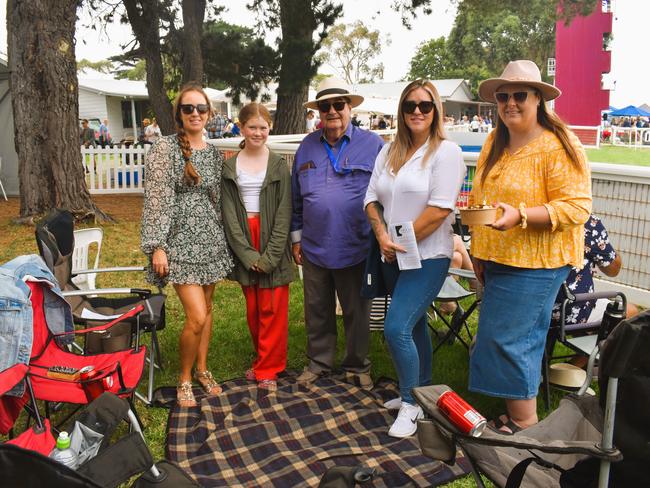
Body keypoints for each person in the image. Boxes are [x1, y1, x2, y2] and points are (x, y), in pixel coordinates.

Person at [468, 60, 592, 433]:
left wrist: (521, 215)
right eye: (503, 96)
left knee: (513, 340)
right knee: (499, 335)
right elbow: (482, 199)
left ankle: (524, 426)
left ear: (538, 98)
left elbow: (577, 207)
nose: (509, 103)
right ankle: (514, 412)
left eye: (519, 95)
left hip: (538, 261)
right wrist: (478, 250)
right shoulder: (495, 140)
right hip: (497, 257)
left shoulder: (560, 144)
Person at [365, 79, 465, 437]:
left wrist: (396, 242)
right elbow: (371, 198)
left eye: (425, 105)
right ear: (402, 111)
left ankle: (410, 403)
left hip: (429, 256)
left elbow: (439, 210)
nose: (418, 112)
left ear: (436, 110)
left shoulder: (446, 153)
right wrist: (381, 236)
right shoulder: (389, 150)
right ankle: (422, 391)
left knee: (396, 327)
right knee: (416, 324)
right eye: (410, 106)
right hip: (393, 254)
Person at [140, 82, 233, 407]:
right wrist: (157, 245)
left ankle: (203, 370)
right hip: (178, 243)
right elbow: (156, 200)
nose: (195, 113)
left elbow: (219, 199)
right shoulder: (164, 150)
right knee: (195, 315)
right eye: (188, 108)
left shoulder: (213, 153)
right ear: (179, 114)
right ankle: (183, 379)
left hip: (210, 240)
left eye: (201, 108)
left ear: (209, 114)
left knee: (206, 311)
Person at [291, 77, 384, 388]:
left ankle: (357, 366)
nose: (332, 110)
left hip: (356, 244)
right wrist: (296, 237)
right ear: (318, 111)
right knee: (317, 309)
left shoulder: (373, 145)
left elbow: (386, 193)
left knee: (358, 311)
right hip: (315, 245)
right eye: (325, 106)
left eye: (338, 104)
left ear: (349, 108)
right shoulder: (306, 146)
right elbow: (295, 196)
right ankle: (319, 362)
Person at [221, 103, 294, 391]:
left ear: (270, 129)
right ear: (241, 127)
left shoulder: (278, 165)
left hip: (272, 236)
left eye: (263, 127)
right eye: (252, 127)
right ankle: (263, 359)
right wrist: (247, 253)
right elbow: (229, 215)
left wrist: (271, 255)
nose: (258, 132)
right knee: (254, 308)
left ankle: (269, 368)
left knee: (273, 307)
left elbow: (284, 211)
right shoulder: (230, 165)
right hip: (244, 237)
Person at [551, 214, 638, 346]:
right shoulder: (584, 221)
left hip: (530, 307)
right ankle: (578, 365)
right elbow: (613, 269)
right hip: (569, 310)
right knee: (631, 311)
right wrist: (609, 251)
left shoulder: (529, 216)